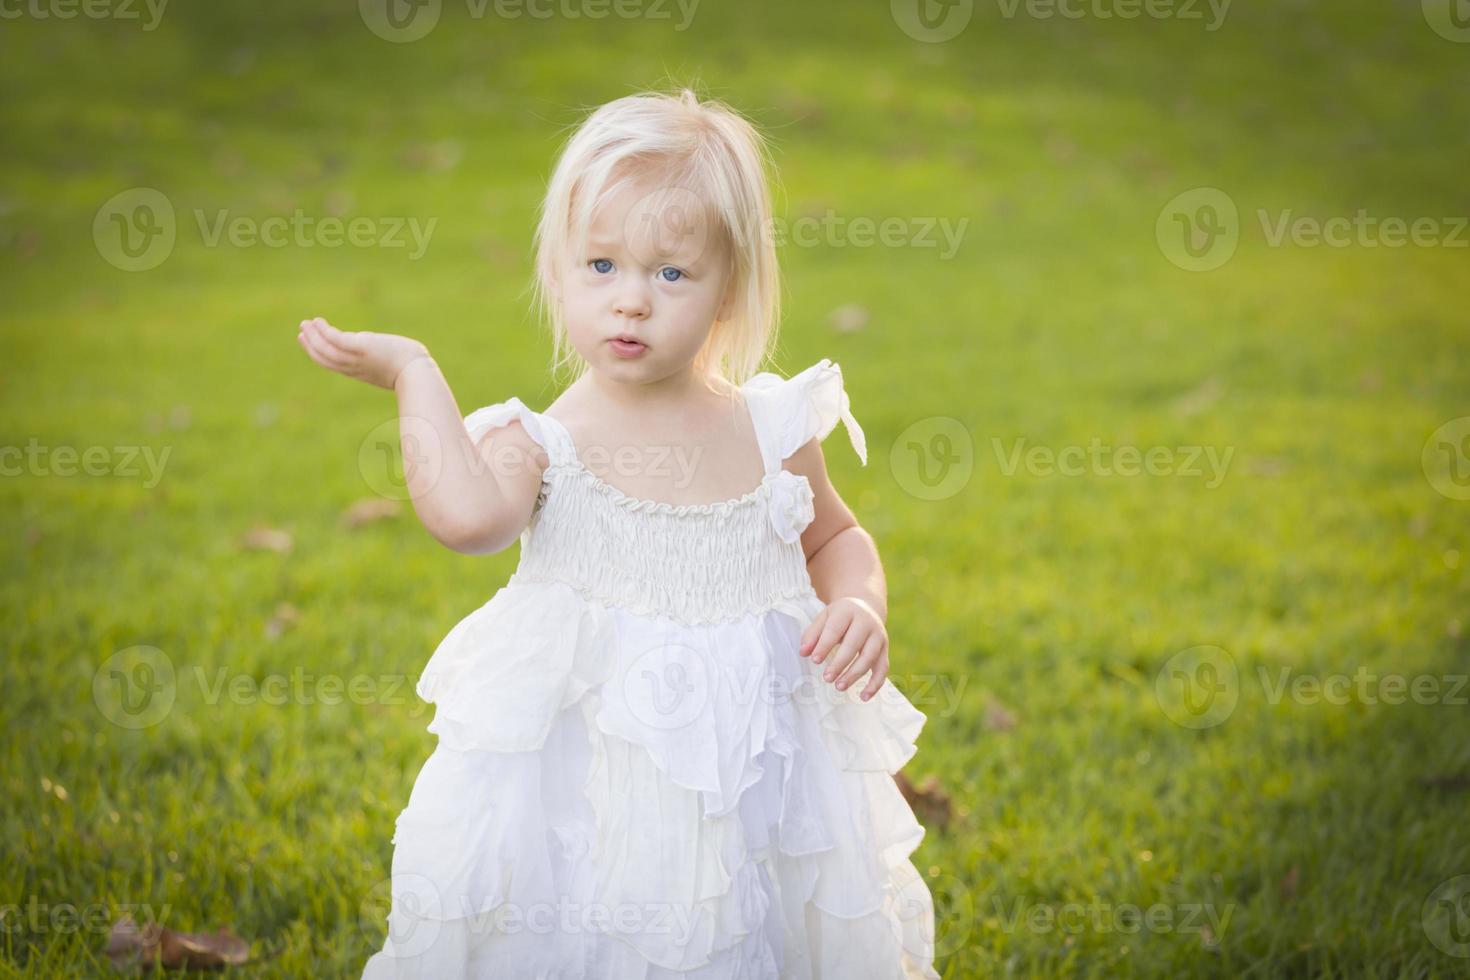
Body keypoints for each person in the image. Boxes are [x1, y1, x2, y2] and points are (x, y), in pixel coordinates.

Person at [297, 86, 940, 979]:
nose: (631, 301)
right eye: (601, 266)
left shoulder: (773, 426)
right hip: (591, 800)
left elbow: (835, 539)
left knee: (759, 929)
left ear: (729, 291)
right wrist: (415, 374)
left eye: (671, 274)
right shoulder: (543, 442)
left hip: (755, 781)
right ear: (556, 273)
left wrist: (862, 605)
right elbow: (468, 519)